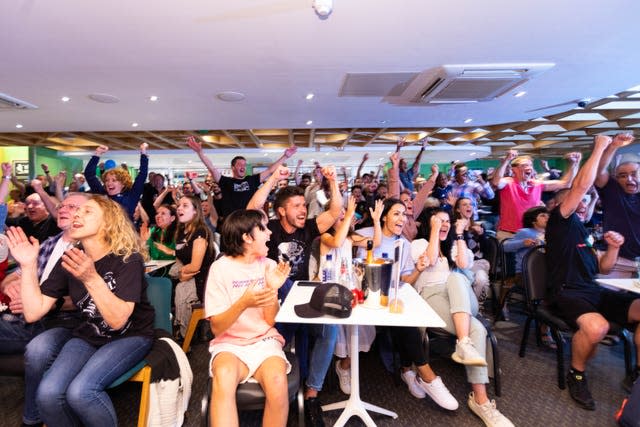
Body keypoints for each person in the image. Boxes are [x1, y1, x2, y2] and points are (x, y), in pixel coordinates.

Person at [6, 195, 155, 427]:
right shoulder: (71, 258)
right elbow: (34, 312)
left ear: (108, 223)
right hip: (89, 334)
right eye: (77, 212)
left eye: (87, 212)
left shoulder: (127, 259)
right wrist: (28, 265)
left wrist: (91, 278)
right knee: (47, 394)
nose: (76, 215)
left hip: (130, 335)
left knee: (81, 392)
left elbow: (117, 321)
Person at [545, 134, 640, 410]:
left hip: (593, 290)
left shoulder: (583, 232)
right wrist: (600, 147)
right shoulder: (560, 223)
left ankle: (637, 372)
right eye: (578, 201)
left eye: (588, 201)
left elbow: (603, 268)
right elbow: (582, 186)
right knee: (598, 327)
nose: (584, 203)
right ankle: (576, 373)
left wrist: (612, 248)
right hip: (567, 293)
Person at [247, 164, 341, 427]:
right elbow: (253, 209)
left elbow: (334, 212)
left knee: (330, 329)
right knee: (287, 287)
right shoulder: (270, 228)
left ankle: (310, 394)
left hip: (302, 297)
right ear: (281, 211)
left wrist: (332, 181)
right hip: (273, 296)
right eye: (297, 205)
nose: (303, 210)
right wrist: (274, 177)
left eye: (304, 205)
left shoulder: (308, 228)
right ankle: (286, 389)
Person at [411, 210, 514, 427]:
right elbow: (428, 260)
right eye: (439, 221)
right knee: (477, 329)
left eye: (447, 221)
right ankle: (481, 400)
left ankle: (463, 343)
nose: (444, 224)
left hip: (462, 297)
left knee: (457, 276)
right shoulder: (419, 243)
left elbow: (465, 264)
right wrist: (435, 231)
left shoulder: (453, 245)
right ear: (430, 223)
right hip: (432, 295)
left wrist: (458, 235)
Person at [357, 198, 458, 410]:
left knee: (407, 320)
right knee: (404, 322)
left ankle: (411, 372)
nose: (402, 218)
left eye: (404, 214)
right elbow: (361, 274)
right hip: (369, 298)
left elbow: (405, 281)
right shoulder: (369, 237)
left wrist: (418, 269)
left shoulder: (403, 244)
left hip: (392, 298)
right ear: (384, 216)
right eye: (396, 213)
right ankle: (424, 375)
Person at [205, 209, 292, 427]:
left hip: (264, 340)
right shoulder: (220, 268)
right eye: (263, 228)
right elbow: (217, 328)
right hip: (229, 343)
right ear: (247, 237)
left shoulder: (269, 266)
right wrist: (244, 302)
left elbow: (270, 322)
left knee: (277, 381)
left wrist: (272, 289)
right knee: (223, 375)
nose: (270, 233)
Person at [316, 196, 383, 395]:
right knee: (339, 332)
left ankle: (344, 366)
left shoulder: (350, 237)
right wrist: (348, 216)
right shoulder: (325, 237)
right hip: (329, 288)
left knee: (363, 329)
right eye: (339, 217)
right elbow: (336, 243)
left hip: (348, 286)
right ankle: (342, 367)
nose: (344, 220)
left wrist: (377, 221)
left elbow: (375, 242)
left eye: (345, 217)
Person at [187, 136, 297, 221]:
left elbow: (270, 170)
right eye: (240, 165)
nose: (243, 167)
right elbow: (211, 167)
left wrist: (285, 156)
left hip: (249, 220)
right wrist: (200, 152)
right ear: (233, 167)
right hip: (231, 222)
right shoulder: (225, 181)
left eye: (244, 165)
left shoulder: (252, 180)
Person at [491, 149, 580, 241]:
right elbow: (496, 182)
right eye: (524, 165)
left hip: (534, 233)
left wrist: (573, 164)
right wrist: (507, 160)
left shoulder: (536, 184)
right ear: (515, 169)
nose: (529, 167)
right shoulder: (508, 182)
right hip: (509, 234)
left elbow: (566, 183)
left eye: (530, 165)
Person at [594, 132, 639, 278]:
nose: (629, 179)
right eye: (623, 175)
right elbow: (599, 171)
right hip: (617, 261)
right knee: (609, 298)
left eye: (634, 174)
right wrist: (613, 146)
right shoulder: (613, 190)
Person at [173, 195, 216, 338]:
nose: (179, 208)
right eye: (178, 205)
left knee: (176, 286)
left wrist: (180, 274)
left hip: (201, 281)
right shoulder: (182, 231)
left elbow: (195, 266)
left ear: (195, 211)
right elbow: (181, 258)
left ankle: (185, 336)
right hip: (188, 276)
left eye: (185, 206)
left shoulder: (200, 231)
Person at [83, 143, 149, 220]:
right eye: (107, 180)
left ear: (123, 184)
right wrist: (97, 154)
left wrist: (143, 153)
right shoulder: (102, 194)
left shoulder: (131, 196)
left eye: (114, 180)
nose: (109, 183)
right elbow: (89, 174)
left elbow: (142, 175)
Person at [388, 151, 438, 240]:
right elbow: (394, 187)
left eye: (410, 199)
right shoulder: (395, 216)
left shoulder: (412, 214)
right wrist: (395, 166)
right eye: (406, 201)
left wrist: (435, 175)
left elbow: (423, 194)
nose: (411, 202)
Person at [451, 197, 492, 305]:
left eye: (470, 204)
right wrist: (461, 230)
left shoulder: (478, 227)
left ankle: (476, 305)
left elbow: (487, 250)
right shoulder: (454, 227)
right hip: (459, 263)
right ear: (458, 209)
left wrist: (482, 235)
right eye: (464, 205)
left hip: (477, 263)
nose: (469, 206)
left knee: (481, 279)